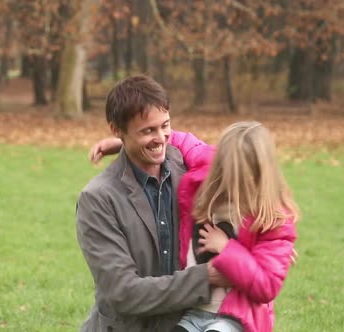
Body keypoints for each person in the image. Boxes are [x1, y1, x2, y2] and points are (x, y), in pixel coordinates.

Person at [91, 122, 299, 332]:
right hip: (193, 310)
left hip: (235, 317)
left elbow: (267, 286)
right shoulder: (207, 164)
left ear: (259, 175)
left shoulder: (273, 218)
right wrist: (123, 143)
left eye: (235, 176)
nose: (225, 178)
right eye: (221, 167)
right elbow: (176, 139)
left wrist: (227, 249)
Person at [76, 75, 232, 332]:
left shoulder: (189, 169)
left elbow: (251, 178)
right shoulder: (97, 199)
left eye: (165, 125)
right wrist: (207, 277)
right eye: (148, 130)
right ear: (117, 130)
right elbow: (123, 292)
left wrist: (267, 237)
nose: (161, 138)